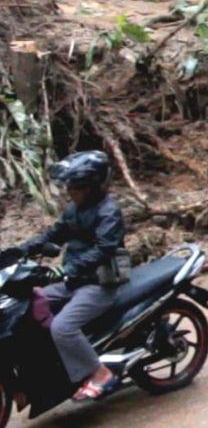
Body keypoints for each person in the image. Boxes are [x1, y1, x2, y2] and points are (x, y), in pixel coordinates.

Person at [17, 152, 126, 401]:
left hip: (99, 284)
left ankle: (101, 374)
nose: (71, 191)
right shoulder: (75, 209)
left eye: (77, 187)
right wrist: (20, 251)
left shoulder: (109, 212)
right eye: (70, 186)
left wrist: (68, 270)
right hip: (74, 281)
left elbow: (104, 249)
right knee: (27, 304)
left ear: (93, 186)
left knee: (63, 327)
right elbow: (54, 234)